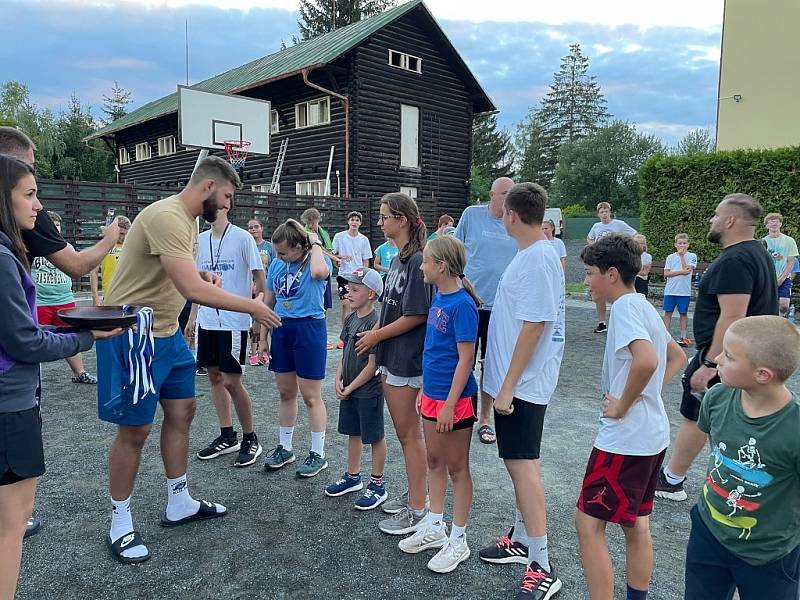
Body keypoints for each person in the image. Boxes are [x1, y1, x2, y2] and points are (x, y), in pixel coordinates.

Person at [96, 156, 280, 564]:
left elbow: (185, 278)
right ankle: (119, 520)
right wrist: (251, 307)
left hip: (166, 335)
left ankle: (178, 501)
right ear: (209, 186)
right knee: (135, 429)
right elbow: (188, 287)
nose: (229, 206)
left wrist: (206, 279)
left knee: (183, 411)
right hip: (133, 335)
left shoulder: (189, 224)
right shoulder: (167, 215)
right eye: (228, 196)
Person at [0, 155, 118, 600]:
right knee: (12, 525)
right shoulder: (3, 258)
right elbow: (24, 344)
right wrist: (86, 340)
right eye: (29, 194)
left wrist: (66, 330)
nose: (38, 207)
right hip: (9, 407)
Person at [576, 234, 686, 600]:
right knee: (636, 523)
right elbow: (677, 358)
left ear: (610, 274)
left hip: (625, 438)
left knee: (589, 524)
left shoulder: (623, 308)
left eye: (590, 273)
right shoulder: (643, 305)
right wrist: (646, 392)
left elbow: (649, 361)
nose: (587, 281)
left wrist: (624, 402)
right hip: (651, 436)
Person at [656, 194, 778, 502]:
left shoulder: (736, 259)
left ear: (730, 220)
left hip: (732, 355)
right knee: (718, 416)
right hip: (747, 352)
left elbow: (733, 315)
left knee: (700, 409)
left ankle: (674, 479)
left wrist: (710, 364)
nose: (712, 220)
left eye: (715, 214)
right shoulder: (757, 252)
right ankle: (692, 476)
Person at [478, 182, 566, 600]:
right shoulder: (533, 254)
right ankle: (521, 539)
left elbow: (535, 325)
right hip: (514, 382)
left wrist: (508, 386)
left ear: (512, 215)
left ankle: (542, 564)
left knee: (522, 464)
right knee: (516, 463)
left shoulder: (537, 259)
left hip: (524, 386)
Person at [684, 316, 800, 600]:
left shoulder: (794, 427)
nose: (718, 360)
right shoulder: (717, 398)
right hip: (708, 534)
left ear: (762, 374)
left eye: (729, 356)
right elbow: (719, 451)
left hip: (769, 554)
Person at [397, 236, 479, 574]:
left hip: (454, 401)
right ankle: (434, 525)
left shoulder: (463, 305)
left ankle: (458, 539)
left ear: (441, 266)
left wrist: (448, 403)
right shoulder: (439, 299)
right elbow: (434, 351)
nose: (422, 267)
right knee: (434, 459)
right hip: (432, 396)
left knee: (457, 468)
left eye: (427, 261)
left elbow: (465, 360)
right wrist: (427, 390)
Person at [355, 193, 432, 534]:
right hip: (393, 356)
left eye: (385, 216)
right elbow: (395, 306)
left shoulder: (417, 260)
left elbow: (417, 314)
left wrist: (377, 335)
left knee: (409, 436)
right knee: (406, 436)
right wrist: (377, 330)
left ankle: (418, 509)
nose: (380, 221)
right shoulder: (401, 259)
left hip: (406, 359)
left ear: (401, 220)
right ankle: (416, 496)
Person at [186, 199, 265, 468]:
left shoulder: (244, 238)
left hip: (234, 320)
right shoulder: (200, 239)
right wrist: (193, 316)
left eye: (213, 204)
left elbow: (260, 280)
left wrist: (256, 316)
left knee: (232, 381)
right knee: (214, 377)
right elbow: (197, 283)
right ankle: (226, 435)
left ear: (227, 206)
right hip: (207, 320)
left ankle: (250, 437)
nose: (206, 208)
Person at [263, 219, 332, 477]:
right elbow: (269, 300)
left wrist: (314, 243)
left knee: (311, 395)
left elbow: (317, 273)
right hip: (282, 327)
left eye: (283, 252)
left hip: (309, 328)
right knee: (285, 392)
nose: (278, 257)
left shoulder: (317, 261)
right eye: (276, 252)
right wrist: (262, 333)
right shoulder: (278, 265)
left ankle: (318, 453)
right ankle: (285, 447)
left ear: (298, 247)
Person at [454, 176, 518, 445]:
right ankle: (461, 411)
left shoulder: (515, 222)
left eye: (513, 194)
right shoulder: (472, 215)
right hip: (470, 303)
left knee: (490, 364)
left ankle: (484, 420)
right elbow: (455, 249)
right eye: (506, 193)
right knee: (463, 359)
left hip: (500, 306)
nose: (510, 199)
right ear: (492, 194)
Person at [324, 268, 388, 510]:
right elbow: (344, 352)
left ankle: (377, 484)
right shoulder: (350, 318)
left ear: (371, 294)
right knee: (354, 432)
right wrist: (338, 379)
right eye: (347, 289)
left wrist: (349, 386)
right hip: (350, 388)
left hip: (367, 390)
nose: (348, 294)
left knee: (375, 435)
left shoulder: (376, 323)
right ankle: (353, 477)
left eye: (355, 289)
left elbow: (373, 365)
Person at [30, 211, 97, 385]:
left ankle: (79, 372)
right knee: (35, 340)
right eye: (53, 224)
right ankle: (32, 378)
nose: (56, 228)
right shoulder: (34, 246)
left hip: (65, 299)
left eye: (58, 225)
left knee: (71, 335)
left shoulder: (66, 247)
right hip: (40, 301)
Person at [586, 202, 636, 333]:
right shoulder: (596, 226)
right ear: (598, 214)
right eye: (601, 212)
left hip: (614, 261)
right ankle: (602, 322)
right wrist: (594, 246)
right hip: (600, 262)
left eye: (606, 211)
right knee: (599, 292)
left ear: (610, 212)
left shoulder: (619, 224)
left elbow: (634, 234)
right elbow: (589, 238)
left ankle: (619, 321)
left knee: (616, 291)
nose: (604, 214)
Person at [300, 208, 339, 348]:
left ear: (318, 220)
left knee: (325, 305)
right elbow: (319, 249)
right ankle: (314, 337)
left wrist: (336, 257)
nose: (311, 226)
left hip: (325, 271)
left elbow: (327, 250)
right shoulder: (305, 234)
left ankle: (323, 336)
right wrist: (334, 257)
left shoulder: (324, 234)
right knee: (314, 304)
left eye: (313, 223)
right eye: (309, 223)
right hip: (312, 273)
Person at [332, 211, 372, 328]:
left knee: (356, 305)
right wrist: (340, 259)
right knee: (345, 304)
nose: (354, 222)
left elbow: (366, 260)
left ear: (360, 223)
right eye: (352, 220)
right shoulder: (339, 237)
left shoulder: (364, 239)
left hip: (358, 277)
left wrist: (364, 275)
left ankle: (354, 330)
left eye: (357, 220)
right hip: (344, 275)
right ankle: (344, 333)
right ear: (348, 222)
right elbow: (332, 254)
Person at [662, 233, 697, 347]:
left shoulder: (692, 256)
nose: (682, 245)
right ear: (675, 244)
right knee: (668, 313)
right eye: (680, 243)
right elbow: (666, 273)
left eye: (684, 243)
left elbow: (687, 269)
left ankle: (683, 337)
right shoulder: (670, 257)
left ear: (688, 244)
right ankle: (665, 336)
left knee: (683, 313)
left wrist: (682, 257)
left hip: (684, 292)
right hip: (670, 291)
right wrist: (681, 272)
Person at [247, 217, 273, 366]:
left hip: (267, 288)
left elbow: (275, 265)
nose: (253, 229)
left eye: (256, 226)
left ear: (262, 228)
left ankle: (266, 349)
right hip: (251, 289)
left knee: (267, 319)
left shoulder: (269, 247)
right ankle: (253, 352)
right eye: (250, 227)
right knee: (254, 320)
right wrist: (251, 283)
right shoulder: (246, 246)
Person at [90, 215, 132, 306]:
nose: (124, 237)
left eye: (126, 234)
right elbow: (94, 271)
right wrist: (95, 296)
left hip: (130, 296)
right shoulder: (104, 245)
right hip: (110, 296)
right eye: (121, 234)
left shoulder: (132, 246)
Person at [762, 212, 798, 317]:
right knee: (767, 304)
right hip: (768, 279)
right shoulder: (763, 241)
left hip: (784, 278)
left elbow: (791, 261)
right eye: (771, 222)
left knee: (784, 306)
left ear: (780, 224)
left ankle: (780, 318)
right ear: (767, 225)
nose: (774, 224)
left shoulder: (789, 241)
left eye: (776, 222)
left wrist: (781, 279)